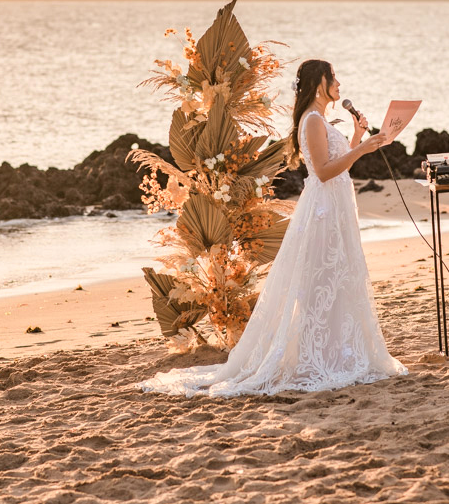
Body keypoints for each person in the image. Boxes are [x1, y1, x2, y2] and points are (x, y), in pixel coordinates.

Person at [140, 59, 407, 396]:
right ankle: (316, 355)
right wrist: (363, 148)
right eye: (333, 77)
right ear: (318, 83)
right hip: (323, 209)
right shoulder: (311, 121)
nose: (339, 83)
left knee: (338, 278)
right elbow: (324, 172)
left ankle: (338, 351)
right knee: (321, 279)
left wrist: (357, 139)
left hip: (336, 208)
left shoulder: (321, 120)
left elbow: (338, 165)